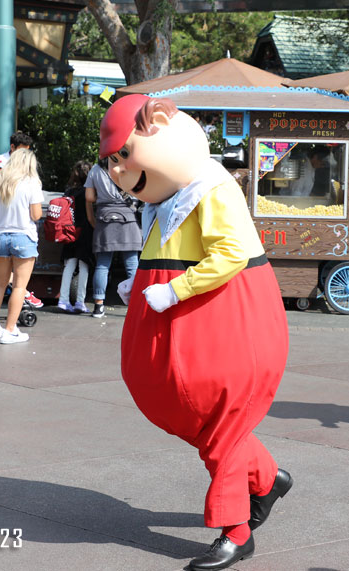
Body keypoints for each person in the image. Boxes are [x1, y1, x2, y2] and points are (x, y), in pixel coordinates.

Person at [100, 95, 290, 571]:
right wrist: (138, 282)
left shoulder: (211, 189)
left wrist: (175, 289)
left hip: (226, 329)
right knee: (207, 423)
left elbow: (228, 254)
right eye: (112, 162)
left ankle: (235, 530)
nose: (118, 170)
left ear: (161, 124)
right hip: (184, 331)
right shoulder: (166, 204)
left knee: (221, 425)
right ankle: (265, 479)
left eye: (123, 154)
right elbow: (165, 254)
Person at [0, 148, 43, 344]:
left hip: (0, 235)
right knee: (19, 286)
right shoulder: (31, 182)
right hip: (23, 236)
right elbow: (36, 215)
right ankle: (10, 330)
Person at [84, 158, 141, 318]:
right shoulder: (129, 166)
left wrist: (104, 196)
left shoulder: (95, 169)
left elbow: (89, 197)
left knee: (102, 265)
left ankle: (98, 306)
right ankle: (135, 305)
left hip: (105, 218)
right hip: (128, 218)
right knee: (132, 265)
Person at [56, 161, 93, 314]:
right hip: (85, 230)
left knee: (69, 265)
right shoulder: (88, 191)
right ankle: (80, 301)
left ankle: (63, 300)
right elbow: (90, 214)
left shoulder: (68, 191)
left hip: (69, 230)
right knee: (84, 265)